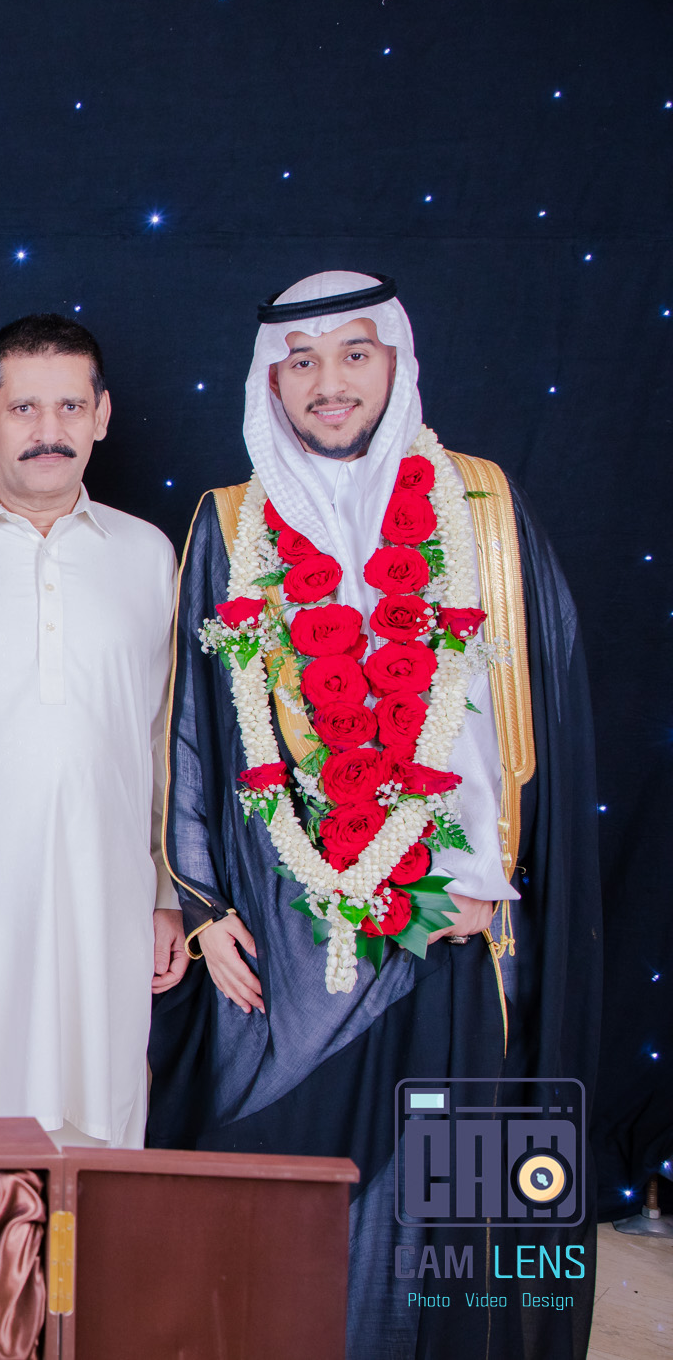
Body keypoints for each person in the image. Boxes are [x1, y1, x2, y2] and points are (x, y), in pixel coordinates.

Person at [148, 272, 601, 1356]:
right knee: (278, 1216)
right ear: (269, 383)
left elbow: (527, 704)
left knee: (452, 1217)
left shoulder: (480, 504)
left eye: (353, 353)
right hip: (281, 933)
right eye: (299, 361)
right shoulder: (229, 522)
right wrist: (204, 909)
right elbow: (194, 732)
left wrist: (489, 888)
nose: (328, 383)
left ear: (395, 361)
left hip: (450, 924)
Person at [0, 314, 184, 1146]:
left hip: (105, 899)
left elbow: (165, 738)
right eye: (24, 409)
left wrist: (166, 895)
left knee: (92, 1125)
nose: (49, 431)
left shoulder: (150, 555)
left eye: (70, 407)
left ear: (102, 415)